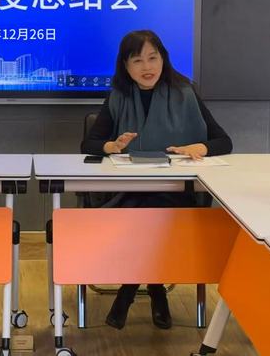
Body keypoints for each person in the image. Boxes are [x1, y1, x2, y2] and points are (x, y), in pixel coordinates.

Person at [80, 29, 232, 330]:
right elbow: (89, 144)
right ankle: (155, 289)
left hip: (177, 195)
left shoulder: (185, 92)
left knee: (151, 211)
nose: (147, 67)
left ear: (164, 59)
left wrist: (198, 148)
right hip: (129, 193)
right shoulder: (119, 95)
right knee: (149, 211)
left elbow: (223, 142)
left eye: (153, 58)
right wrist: (112, 146)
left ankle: (128, 290)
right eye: (137, 60)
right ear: (125, 66)